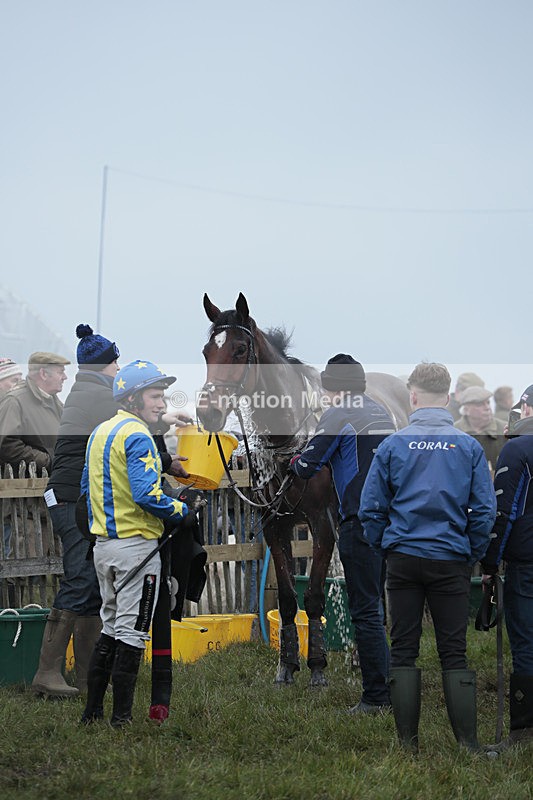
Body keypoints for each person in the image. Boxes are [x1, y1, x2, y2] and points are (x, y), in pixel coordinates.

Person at [359, 362, 496, 752]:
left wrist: (385, 546)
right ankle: (468, 744)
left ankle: (408, 745)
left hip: (402, 557)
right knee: (454, 650)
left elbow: (370, 509)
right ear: (449, 398)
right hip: (450, 557)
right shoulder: (467, 446)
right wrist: (470, 550)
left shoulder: (392, 445)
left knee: (404, 647)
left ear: (413, 396)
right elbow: (484, 511)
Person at [80, 359, 188, 727]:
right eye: (155, 396)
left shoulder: (101, 432)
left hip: (103, 547)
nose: (161, 403)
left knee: (110, 626)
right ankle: (121, 720)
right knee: (132, 632)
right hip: (136, 549)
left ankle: (92, 713)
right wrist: (182, 510)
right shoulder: (139, 435)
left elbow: (86, 490)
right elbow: (146, 496)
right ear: (132, 399)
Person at [289, 354, 396, 713]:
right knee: (377, 606)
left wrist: (293, 460)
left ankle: (376, 697)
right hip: (388, 522)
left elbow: (307, 466)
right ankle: (391, 683)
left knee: (364, 611)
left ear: (331, 387)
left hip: (358, 522)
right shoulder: (382, 412)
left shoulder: (337, 413)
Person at [31, 325, 121, 698]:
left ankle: (87, 676)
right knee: (80, 579)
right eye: (115, 362)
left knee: (90, 582)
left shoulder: (89, 390)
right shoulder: (99, 395)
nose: (119, 368)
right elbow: (130, 423)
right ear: (103, 365)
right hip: (69, 497)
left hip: (74, 497)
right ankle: (47, 673)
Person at [481, 383, 533, 746]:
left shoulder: (517, 449)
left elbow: (504, 513)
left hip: (527, 565)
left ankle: (524, 730)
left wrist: (489, 561)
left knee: (527, 643)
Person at [0, 351, 70, 475]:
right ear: (43, 374)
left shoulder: (55, 403)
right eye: (60, 372)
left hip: (50, 482)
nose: (65, 377)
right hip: (25, 488)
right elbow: (7, 445)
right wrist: (49, 461)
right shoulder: (15, 401)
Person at [454, 386, 506, 471]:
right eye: (480, 404)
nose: (487, 408)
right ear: (466, 410)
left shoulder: (505, 430)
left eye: (488, 403)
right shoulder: (454, 432)